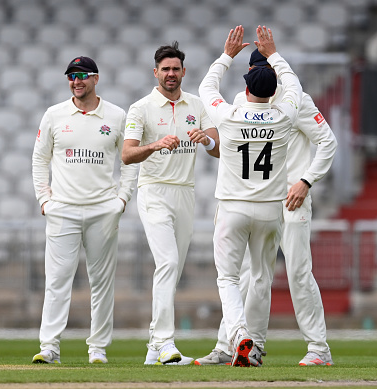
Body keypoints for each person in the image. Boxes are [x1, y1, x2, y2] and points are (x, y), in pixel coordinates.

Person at [195, 48, 337, 367]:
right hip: (265, 202)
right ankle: (231, 346)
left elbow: (328, 141)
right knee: (248, 275)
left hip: (291, 196)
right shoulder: (266, 102)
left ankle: (318, 348)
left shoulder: (297, 101)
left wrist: (306, 181)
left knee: (297, 272)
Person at [31, 56, 137, 365]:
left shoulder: (117, 115)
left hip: (103, 210)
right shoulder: (54, 114)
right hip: (62, 209)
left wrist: (122, 199)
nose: (76, 81)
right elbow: (39, 159)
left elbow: (129, 160)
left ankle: (98, 349)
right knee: (57, 280)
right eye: (71, 76)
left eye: (82, 75)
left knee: (101, 282)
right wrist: (44, 200)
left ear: (96, 78)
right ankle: (49, 347)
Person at [121, 42, 219, 365]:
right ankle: (165, 342)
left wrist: (206, 140)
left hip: (185, 192)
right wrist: (156, 144)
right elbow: (127, 154)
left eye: (176, 69)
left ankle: (153, 346)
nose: (171, 74)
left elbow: (218, 147)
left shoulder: (196, 105)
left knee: (173, 270)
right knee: (167, 263)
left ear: (183, 72)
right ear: (156, 72)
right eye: (165, 69)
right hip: (154, 191)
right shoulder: (141, 108)